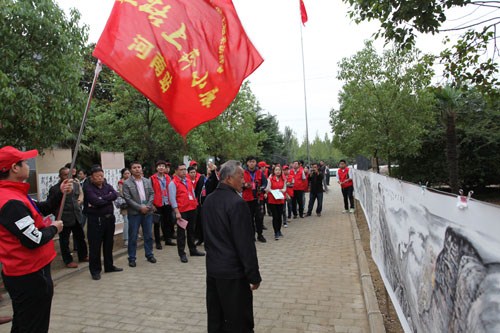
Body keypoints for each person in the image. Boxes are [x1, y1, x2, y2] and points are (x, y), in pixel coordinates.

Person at [0, 146, 67, 332]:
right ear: (14, 168)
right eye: (25, 162)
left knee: (23, 322)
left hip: (30, 270)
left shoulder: (16, 194)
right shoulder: (10, 201)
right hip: (29, 274)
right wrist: (54, 228)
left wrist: (60, 191)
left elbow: (42, 209)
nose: (28, 165)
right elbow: (33, 239)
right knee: (33, 325)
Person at [202, 160, 261, 333]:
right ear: (228, 178)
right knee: (239, 321)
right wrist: (254, 276)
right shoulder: (237, 204)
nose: (244, 180)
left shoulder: (209, 200)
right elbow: (245, 245)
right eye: (240, 176)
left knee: (216, 319)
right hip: (233, 273)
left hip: (213, 270)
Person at [84, 166, 123, 280]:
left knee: (108, 243)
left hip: (109, 219)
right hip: (96, 220)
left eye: (102, 176)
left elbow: (115, 194)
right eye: (97, 176)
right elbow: (95, 200)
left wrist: (103, 198)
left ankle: (109, 266)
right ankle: (95, 270)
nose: (100, 178)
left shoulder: (107, 186)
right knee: (95, 246)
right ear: (92, 178)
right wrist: (106, 199)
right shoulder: (88, 188)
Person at [48, 167, 88, 268]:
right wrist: (58, 215)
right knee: (64, 240)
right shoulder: (55, 189)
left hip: (76, 216)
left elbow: (79, 196)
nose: (68, 177)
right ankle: (68, 260)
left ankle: (83, 255)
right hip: (64, 218)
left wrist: (78, 205)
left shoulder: (74, 185)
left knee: (80, 237)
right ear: (60, 176)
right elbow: (51, 205)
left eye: (69, 174)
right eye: (65, 175)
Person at [168, 163, 205, 263]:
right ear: (176, 171)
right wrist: (177, 212)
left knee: (191, 231)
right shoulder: (173, 183)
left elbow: (192, 193)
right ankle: (182, 253)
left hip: (192, 209)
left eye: (185, 169)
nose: (184, 171)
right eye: (181, 170)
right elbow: (172, 199)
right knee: (181, 234)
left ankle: (193, 250)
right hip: (182, 211)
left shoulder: (188, 180)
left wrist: (195, 205)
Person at [123, 162, 157, 267]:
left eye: (139, 167)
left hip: (147, 211)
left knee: (148, 235)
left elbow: (152, 193)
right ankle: (132, 258)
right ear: (131, 170)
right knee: (133, 236)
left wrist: (148, 206)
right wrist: (140, 207)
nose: (137, 169)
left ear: (141, 169)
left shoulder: (147, 181)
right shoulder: (127, 183)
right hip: (134, 213)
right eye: (134, 168)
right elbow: (127, 199)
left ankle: (149, 254)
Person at [150, 160, 176, 249]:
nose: (161, 167)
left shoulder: (168, 177)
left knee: (167, 222)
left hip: (167, 202)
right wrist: (152, 204)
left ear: (165, 168)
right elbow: (150, 192)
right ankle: (157, 242)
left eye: (163, 166)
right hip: (157, 203)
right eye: (159, 166)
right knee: (157, 223)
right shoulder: (152, 178)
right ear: (157, 168)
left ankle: (167, 239)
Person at [242, 157, 267, 243]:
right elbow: (239, 184)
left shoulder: (260, 172)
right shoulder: (243, 173)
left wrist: (262, 188)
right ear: (247, 163)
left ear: (256, 163)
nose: (252, 163)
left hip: (258, 198)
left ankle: (260, 234)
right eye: (250, 162)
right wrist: (244, 185)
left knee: (259, 217)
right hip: (247, 198)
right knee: (249, 218)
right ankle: (251, 235)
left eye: (253, 162)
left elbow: (265, 183)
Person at [265, 166, 287, 240]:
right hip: (272, 200)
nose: (278, 171)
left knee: (280, 216)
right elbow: (267, 188)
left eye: (279, 170)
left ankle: (279, 230)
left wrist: (282, 190)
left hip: (280, 199)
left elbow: (285, 188)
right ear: (273, 171)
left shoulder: (283, 179)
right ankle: (276, 232)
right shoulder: (270, 179)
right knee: (275, 216)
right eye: (276, 170)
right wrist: (273, 191)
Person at [188, 166, 206, 246]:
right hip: (190, 204)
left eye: (194, 172)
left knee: (200, 221)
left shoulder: (200, 179)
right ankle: (194, 237)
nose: (193, 174)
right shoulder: (187, 181)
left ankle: (201, 237)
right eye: (191, 172)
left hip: (198, 203)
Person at [117, 168, 131, 247]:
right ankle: (126, 239)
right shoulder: (121, 182)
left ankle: (132, 237)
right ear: (122, 174)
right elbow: (122, 193)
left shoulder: (133, 181)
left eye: (128, 173)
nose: (127, 175)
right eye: (125, 173)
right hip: (125, 205)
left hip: (133, 205)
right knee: (126, 222)